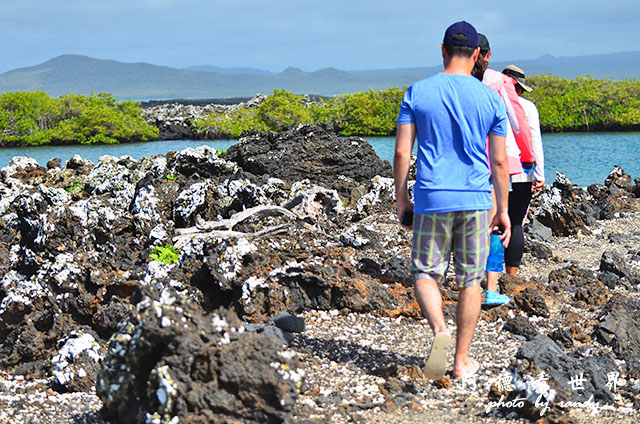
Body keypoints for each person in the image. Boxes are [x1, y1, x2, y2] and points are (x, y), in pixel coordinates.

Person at [394, 21, 511, 380]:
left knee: (425, 274)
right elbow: (501, 161)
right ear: (477, 55)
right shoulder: (491, 98)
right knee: (471, 281)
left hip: (431, 196)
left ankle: (440, 332)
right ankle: (461, 361)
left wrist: (402, 200)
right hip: (476, 199)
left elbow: (401, 153)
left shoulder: (417, 92)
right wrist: (503, 210)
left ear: (442, 50)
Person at [473, 35, 537, 306]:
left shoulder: (452, 81)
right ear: (486, 54)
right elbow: (517, 120)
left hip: (467, 158)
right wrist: (528, 155)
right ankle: (490, 288)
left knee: (468, 221)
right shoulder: (501, 82)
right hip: (499, 159)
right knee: (497, 223)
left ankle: (464, 279)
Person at [501, 65, 545, 275]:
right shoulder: (527, 107)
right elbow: (535, 142)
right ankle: (512, 276)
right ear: (518, 85)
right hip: (523, 172)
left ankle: (488, 275)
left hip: (495, 172)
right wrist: (540, 175)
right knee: (516, 223)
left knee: (492, 223)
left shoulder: (491, 101)